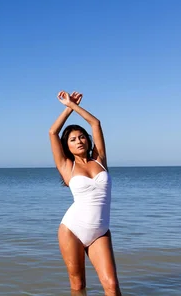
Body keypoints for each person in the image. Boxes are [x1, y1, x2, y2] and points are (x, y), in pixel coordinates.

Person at [48, 91, 121, 296]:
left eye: (81, 137)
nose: (79, 141)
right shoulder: (66, 166)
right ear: (67, 146)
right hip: (72, 230)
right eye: (73, 139)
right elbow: (53, 132)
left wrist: (75, 105)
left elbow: (95, 123)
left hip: (100, 231)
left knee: (112, 286)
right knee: (78, 286)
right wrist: (67, 108)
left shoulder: (99, 160)